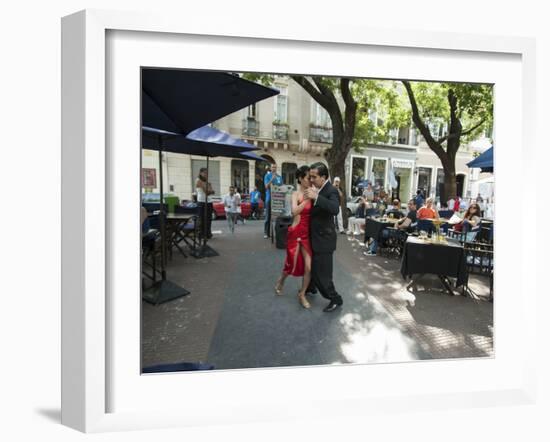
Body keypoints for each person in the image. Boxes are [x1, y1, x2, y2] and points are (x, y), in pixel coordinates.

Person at [304, 163, 343, 313]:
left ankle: (335, 299)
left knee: (324, 275)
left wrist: (317, 197)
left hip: (324, 241)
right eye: (310, 176)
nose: (311, 179)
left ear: (324, 177)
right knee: (313, 267)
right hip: (316, 238)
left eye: (314, 177)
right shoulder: (319, 188)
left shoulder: (331, 190)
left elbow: (334, 208)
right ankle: (311, 287)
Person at [274, 166, 314, 309]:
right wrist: (306, 199)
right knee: (291, 263)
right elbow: (294, 211)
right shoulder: (296, 194)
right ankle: (281, 280)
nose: (311, 180)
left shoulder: (314, 193)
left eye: (311, 177)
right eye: (308, 177)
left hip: (307, 235)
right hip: (296, 232)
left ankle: (302, 294)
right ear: (300, 179)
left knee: (309, 267)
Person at [263, 163, 283, 239]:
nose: (274, 168)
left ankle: (277, 232)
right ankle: (266, 232)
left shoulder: (279, 177)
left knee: (278, 217)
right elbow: (266, 186)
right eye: (272, 167)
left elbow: (282, 187)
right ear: (270, 168)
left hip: (278, 199)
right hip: (269, 198)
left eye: (275, 167)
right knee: (268, 216)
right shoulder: (267, 176)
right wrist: (272, 179)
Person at [195, 167, 215, 239]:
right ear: (201, 173)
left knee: (209, 219)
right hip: (202, 202)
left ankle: (208, 233)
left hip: (209, 202)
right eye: (205, 173)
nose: (206, 174)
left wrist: (210, 190)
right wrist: (210, 190)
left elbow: (212, 191)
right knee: (202, 219)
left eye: (207, 173)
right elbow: (207, 192)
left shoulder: (206, 182)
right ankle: (201, 234)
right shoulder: (198, 180)